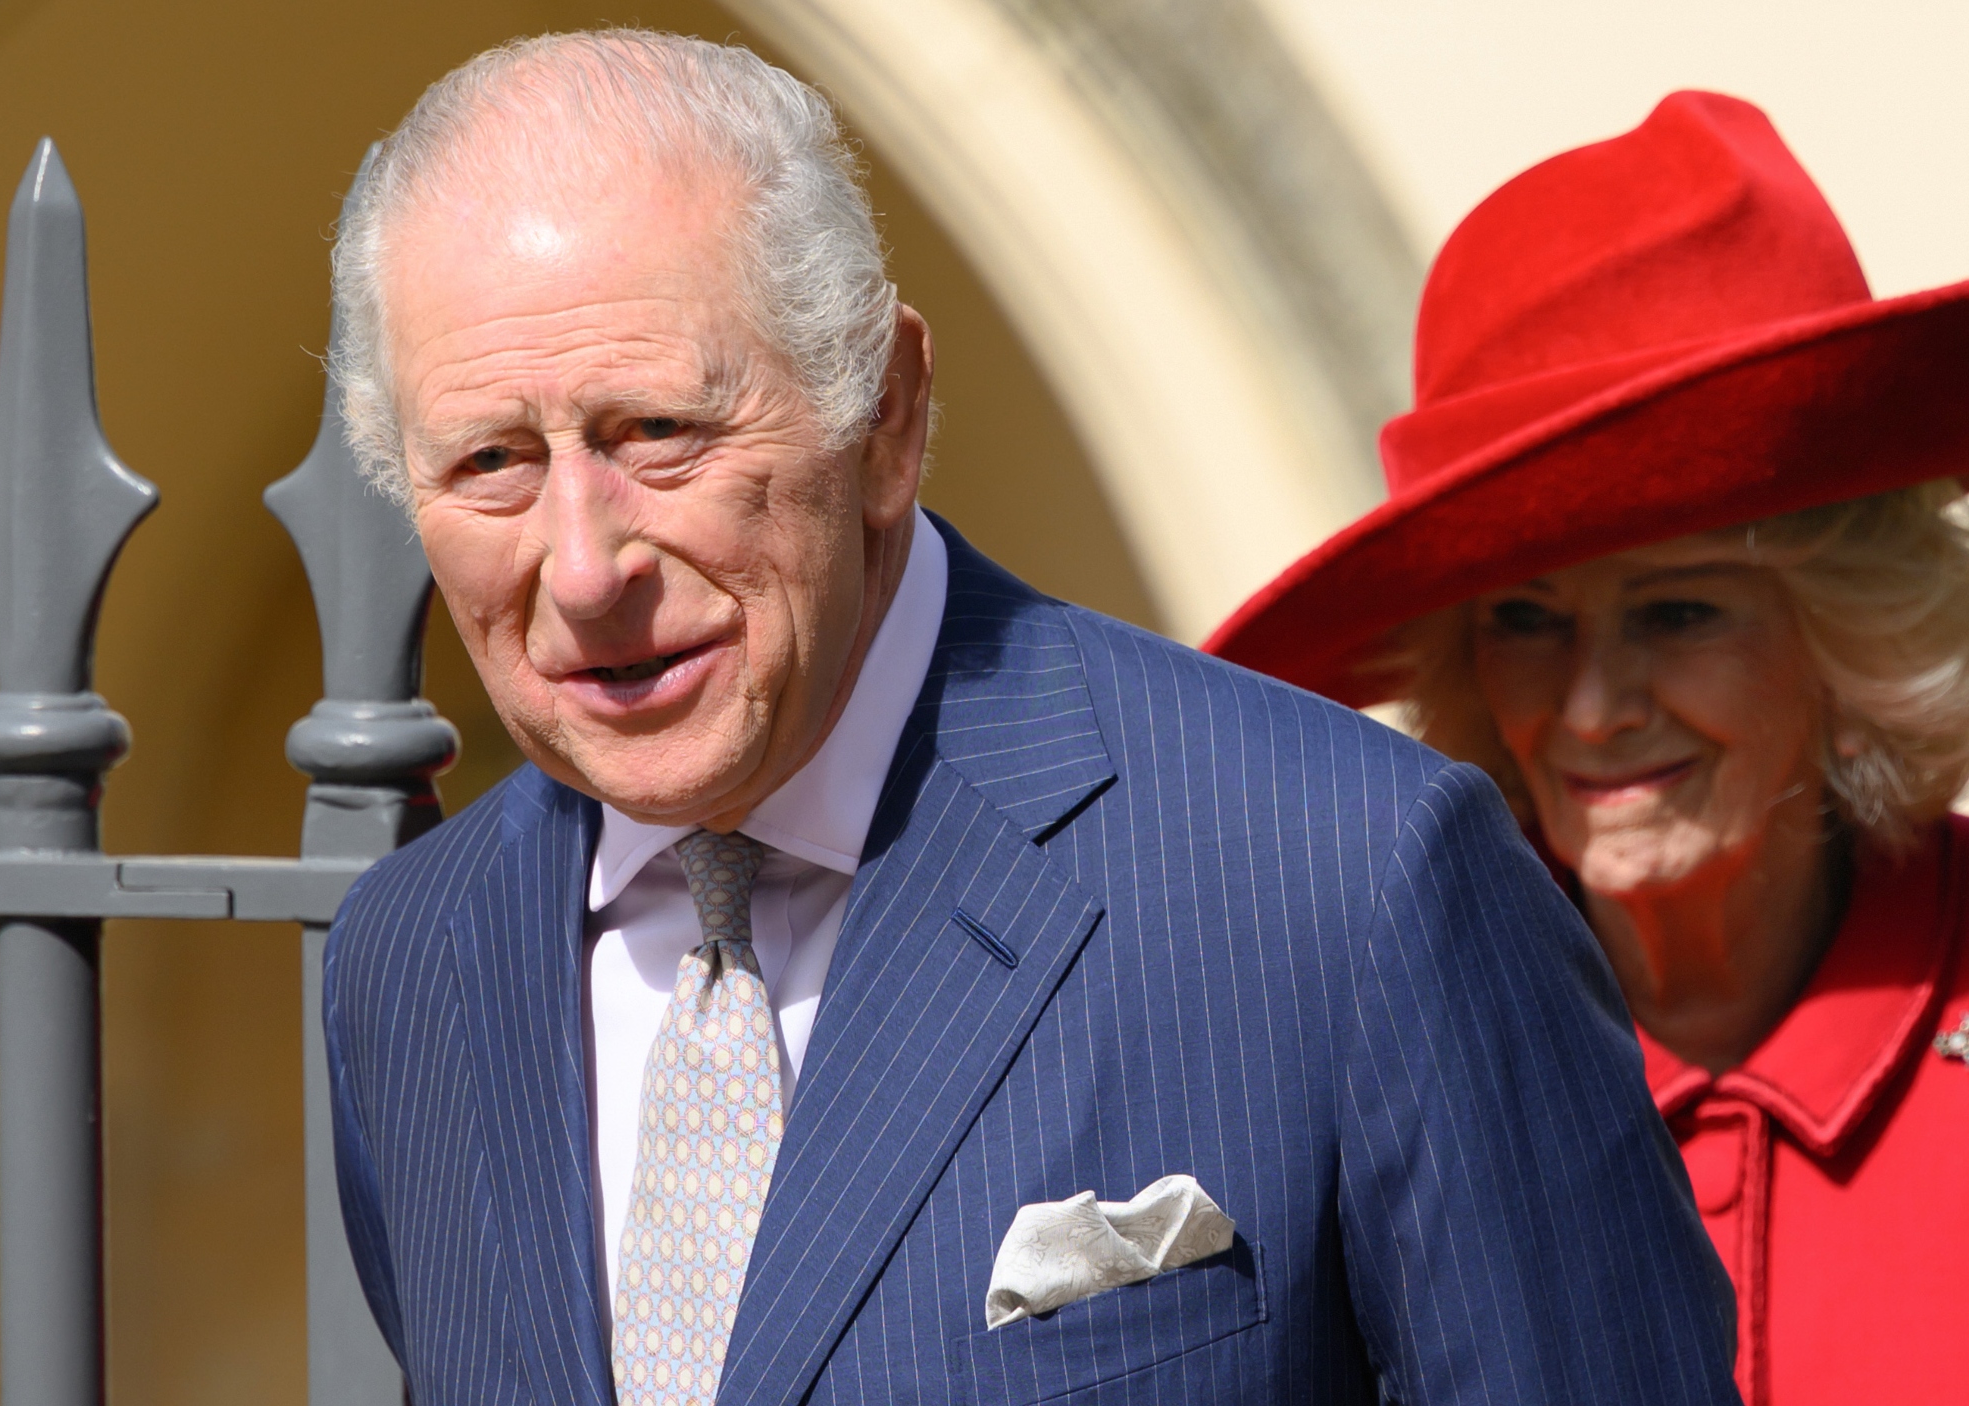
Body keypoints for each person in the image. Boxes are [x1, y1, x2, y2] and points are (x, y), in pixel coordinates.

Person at [322, 31, 1735, 1405]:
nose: (581, 567)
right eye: (491, 462)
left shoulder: (1348, 881)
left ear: (887, 415)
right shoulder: (415, 960)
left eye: (659, 433)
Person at [1208, 91, 1969, 1406]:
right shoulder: (1349, 1060)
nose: (1594, 706)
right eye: (1526, 622)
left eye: (1677, 612)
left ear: (1844, 636)